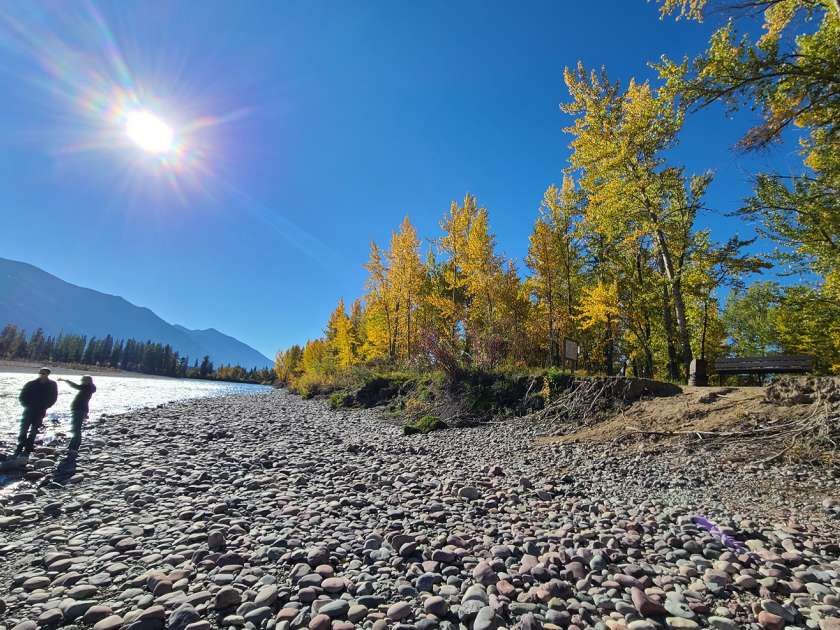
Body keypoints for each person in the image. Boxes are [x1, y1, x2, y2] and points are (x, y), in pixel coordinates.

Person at [14, 367, 59, 456]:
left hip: (41, 410)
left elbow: (54, 397)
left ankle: (29, 447)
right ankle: (20, 445)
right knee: (23, 429)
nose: (42, 375)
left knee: (34, 429)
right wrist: (26, 405)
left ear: (48, 374)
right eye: (41, 373)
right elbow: (22, 395)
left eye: (44, 373)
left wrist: (46, 406)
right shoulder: (31, 383)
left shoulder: (52, 384)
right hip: (29, 409)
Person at [58, 375, 96, 453]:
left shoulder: (87, 387)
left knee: (76, 429)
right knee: (76, 428)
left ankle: (74, 448)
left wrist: (66, 380)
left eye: (83, 380)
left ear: (87, 381)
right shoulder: (89, 388)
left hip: (79, 409)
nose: (82, 382)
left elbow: (75, 386)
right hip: (81, 409)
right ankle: (72, 446)